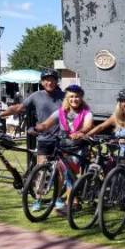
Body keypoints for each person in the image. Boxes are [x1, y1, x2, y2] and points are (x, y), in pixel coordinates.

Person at [0, 68, 65, 211]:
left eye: (52, 79)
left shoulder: (64, 96)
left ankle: (58, 198)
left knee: (60, 171)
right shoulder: (35, 96)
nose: (50, 82)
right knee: (40, 171)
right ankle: (38, 199)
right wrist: (2, 114)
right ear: (42, 82)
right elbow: (19, 108)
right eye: (46, 79)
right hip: (44, 138)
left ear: (56, 81)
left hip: (61, 139)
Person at [87, 88, 125, 220]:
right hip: (122, 155)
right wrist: (86, 135)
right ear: (120, 102)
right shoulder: (116, 117)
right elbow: (101, 127)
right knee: (124, 181)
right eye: (124, 101)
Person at [33, 85, 93, 213]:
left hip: (78, 148)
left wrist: (80, 132)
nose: (74, 99)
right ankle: (64, 200)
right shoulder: (60, 112)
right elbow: (46, 124)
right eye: (71, 96)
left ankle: (70, 203)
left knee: (69, 174)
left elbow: (88, 126)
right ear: (67, 98)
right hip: (63, 147)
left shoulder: (86, 113)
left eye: (77, 97)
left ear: (81, 98)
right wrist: (37, 128)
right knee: (60, 174)